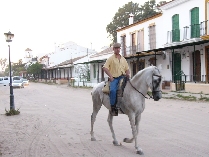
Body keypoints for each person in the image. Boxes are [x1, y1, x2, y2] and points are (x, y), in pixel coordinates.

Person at [103, 43, 130, 115]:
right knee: (113, 90)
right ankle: (113, 107)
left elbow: (127, 69)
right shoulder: (110, 58)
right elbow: (105, 68)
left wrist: (128, 74)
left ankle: (128, 105)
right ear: (113, 49)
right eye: (116, 48)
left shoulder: (123, 59)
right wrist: (111, 77)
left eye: (119, 48)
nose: (118, 49)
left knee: (130, 88)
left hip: (123, 77)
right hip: (114, 78)